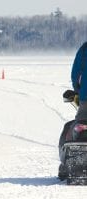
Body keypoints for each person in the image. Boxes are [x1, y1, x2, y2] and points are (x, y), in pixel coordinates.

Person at [58, 42, 87, 179]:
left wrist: (78, 90)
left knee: (79, 126)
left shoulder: (85, 49)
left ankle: (67, 164)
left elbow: (76, 74)